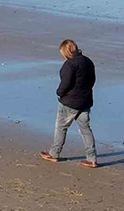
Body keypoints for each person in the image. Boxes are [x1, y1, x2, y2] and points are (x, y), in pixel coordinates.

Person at [40, 38, 98, 167]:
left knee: (61, 127)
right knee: (85, 130)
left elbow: (65, 84)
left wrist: (59, 93)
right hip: (85, 101)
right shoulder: (88, 61)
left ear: (66, 52)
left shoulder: (70, 64)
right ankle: (92, 159)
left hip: (70, 102)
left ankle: (54, 153)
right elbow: (92, 81)